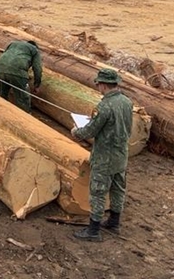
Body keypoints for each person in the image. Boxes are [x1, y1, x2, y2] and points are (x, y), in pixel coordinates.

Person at [70, 68, 133, 242]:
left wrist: (77, 132)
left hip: (104, 155)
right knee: (118, 188)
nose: (98, 88)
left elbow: (91, 131)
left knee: (98, 191)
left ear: (103, 85)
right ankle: (114, 221)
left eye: (98, 84)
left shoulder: (104, 106)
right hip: (121, 154)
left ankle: (93, 230)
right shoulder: (127, 102)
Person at [0, 40, 42, 111]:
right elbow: (37, 68)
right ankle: (24, 117)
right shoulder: (34, 50)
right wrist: (37, 85)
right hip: (18, 73)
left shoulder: (12, 44)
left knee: (2, 94)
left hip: (1, 69)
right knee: (23, 99)